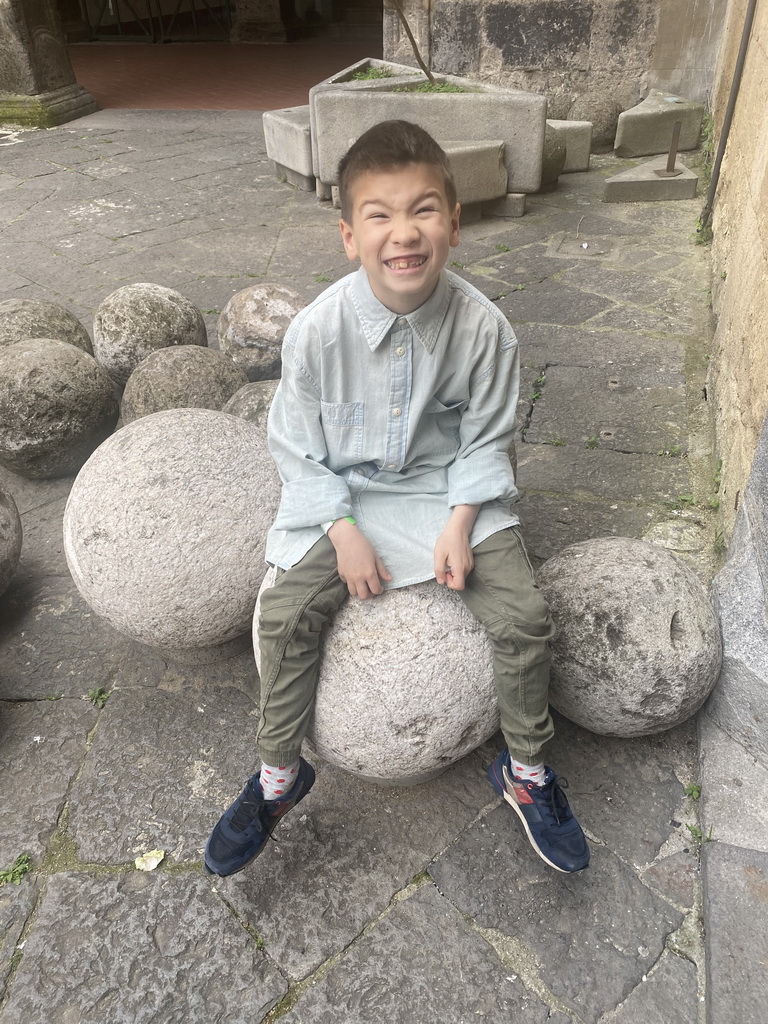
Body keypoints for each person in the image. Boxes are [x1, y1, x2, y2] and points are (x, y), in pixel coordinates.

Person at [204, 120, 589, 878]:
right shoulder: (316, 333)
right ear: (350, 235)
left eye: (424, 209)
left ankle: (527, 772)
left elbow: (486, 440)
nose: (403, 233)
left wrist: (462, 522)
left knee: (525, 616)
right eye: (380, 214)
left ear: (453, 220)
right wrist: (342, 529)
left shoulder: (486, 330)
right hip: (344, 496)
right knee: (285, 613)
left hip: (452, 495)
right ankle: (279, 775)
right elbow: (297, 447)